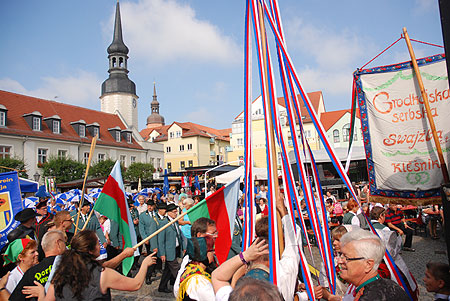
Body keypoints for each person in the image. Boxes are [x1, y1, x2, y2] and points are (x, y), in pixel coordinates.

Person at [35, 230, 156, 300]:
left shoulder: (60, 273)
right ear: (91, 250)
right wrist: (145, 264)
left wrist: (41, 292)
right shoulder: (102, 274)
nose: (101, 246)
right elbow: (136, 284)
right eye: (97, 243)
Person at [338, 229, 409, 300]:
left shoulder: (370, 297)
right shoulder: (389, 285)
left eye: (346, 257)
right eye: (341, 255)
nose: (339, 261)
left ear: (368, 265)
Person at [10, 230, 66, 300]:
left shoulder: (31, 273)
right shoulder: (69, 265)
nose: (37, 254)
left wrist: (43, 293)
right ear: (58, 244)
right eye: (64, 242)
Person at [157, 203, 185, 293]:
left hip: (175, 248)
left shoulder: (175, 221)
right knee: (177, 270)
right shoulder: (163, 223)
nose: (176, 213)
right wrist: (162, 253)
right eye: (174, 212)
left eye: (176, 211)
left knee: (167, 270)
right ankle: (183, 286)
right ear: (168, 213)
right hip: (168, 251)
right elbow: (160, 240)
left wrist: (182, 247)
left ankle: (162, 286)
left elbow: (179, 235)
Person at [138, 199, 159, 284]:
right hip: (149, 239)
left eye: (151, 206)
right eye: (148, 206)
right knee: (151, 256)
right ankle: (148, 275)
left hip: (157, 238)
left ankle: (154, 269)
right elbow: (141, 228)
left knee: (157, 256)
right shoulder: (143, 215)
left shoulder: (157, 214)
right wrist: (145, 238)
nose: (149, 207)